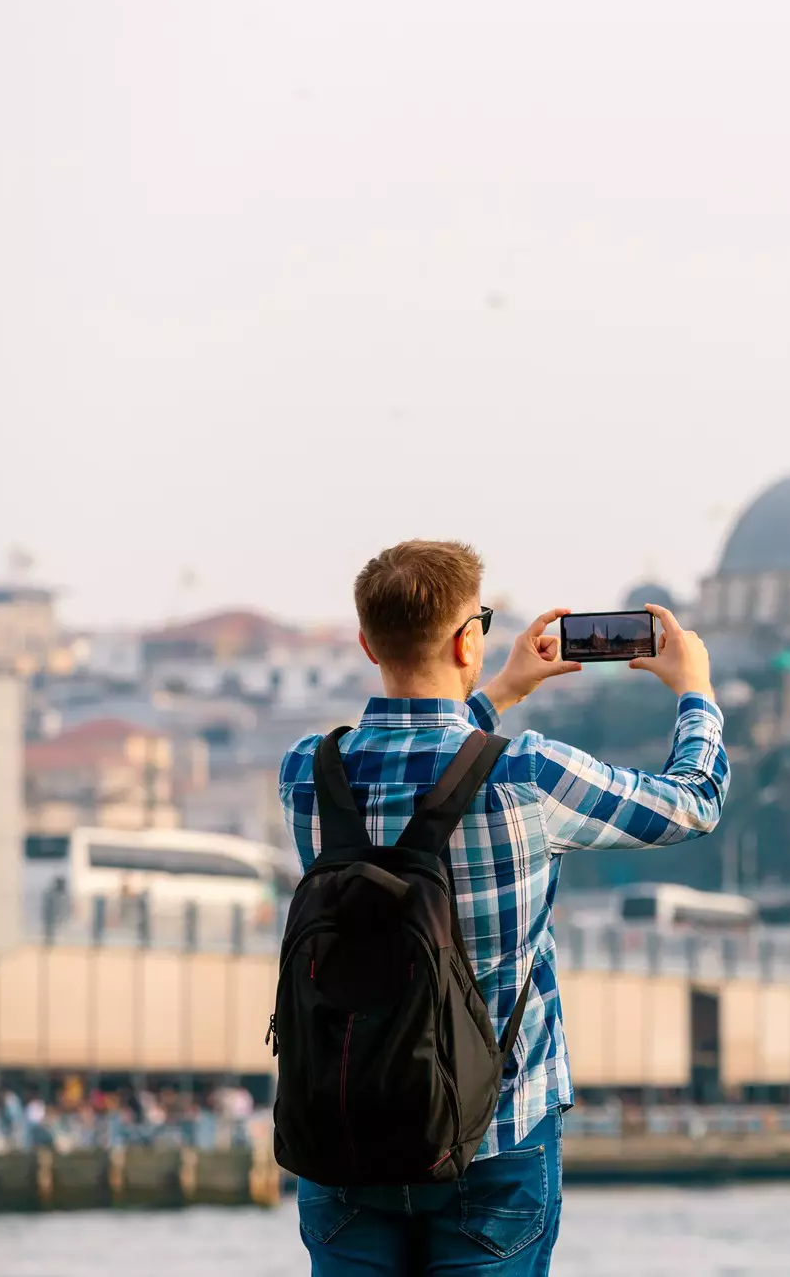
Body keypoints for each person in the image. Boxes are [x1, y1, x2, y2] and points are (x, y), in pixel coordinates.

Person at [280, 539, 729, 1275]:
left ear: (366, 642)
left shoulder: (307, 773)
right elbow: (693, 802)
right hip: (496, 1140)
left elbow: (418, 767)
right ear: (468, 641)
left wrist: (504, 690)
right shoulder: (529, 774)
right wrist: (696, 692)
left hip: (342, 1133)